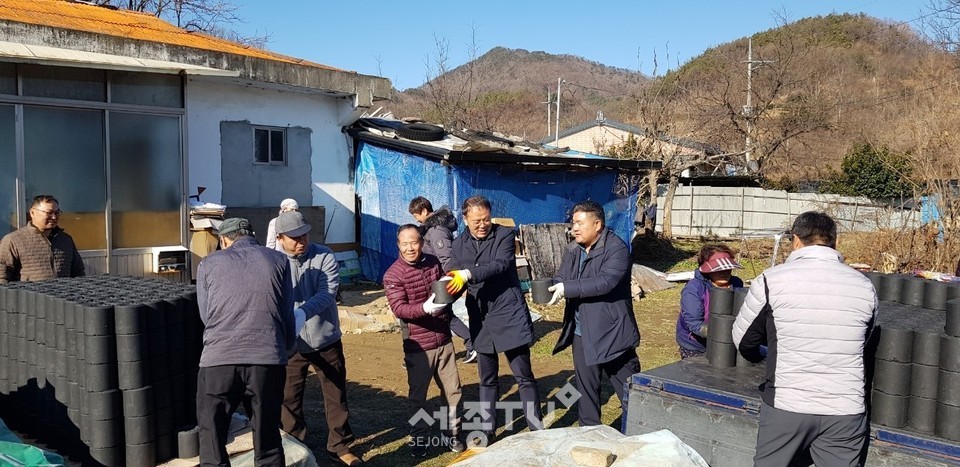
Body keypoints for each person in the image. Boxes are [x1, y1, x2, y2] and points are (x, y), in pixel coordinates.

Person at [732, 211, 877, 467]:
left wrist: (762, 356)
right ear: (835, 242)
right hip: (845, 409)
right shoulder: (864, 285)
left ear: (795, 241)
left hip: (787, 404)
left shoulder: (771, 280)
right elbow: (863, 341)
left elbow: (744, 341)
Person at [195, 217, 297, 467]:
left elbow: (206, 314)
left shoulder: (208, 263)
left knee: (212, 435)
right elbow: (286, 313)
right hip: (266, 359)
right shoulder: (279, 260)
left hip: (219, 360)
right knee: (267, 434)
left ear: (224, 240)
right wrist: (286, 348)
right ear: (253, 236)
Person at [446, 195, 542, 446]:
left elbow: (500, 265)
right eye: (477, 220)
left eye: (486, 219)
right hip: (480, 315)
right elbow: (454, 277)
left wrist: (469, 274)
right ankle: (488, 429)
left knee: (523, 374)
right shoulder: (458, 245)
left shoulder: (504, 235)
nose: (482, 224)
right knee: (487, 378)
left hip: (508, 311)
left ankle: (536, 425)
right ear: (465, 219)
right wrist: (441, 296)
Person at [274, 211, 362, 466]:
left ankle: (339, 445)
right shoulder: (275, 261)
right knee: (289, 396)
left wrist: (302, 312)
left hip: (326, 338)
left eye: (304, 234)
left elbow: (328, 292)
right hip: (291, 342)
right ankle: (295, 443)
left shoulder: (324, 254)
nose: (302, 240)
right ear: (280, 238)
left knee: (335, 393)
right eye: (294, 237)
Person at [548, 200, 641, 426]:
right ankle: (589, 432)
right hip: (582, 332)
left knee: (629, 389)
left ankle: (641, 431)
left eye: (580, 223)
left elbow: (605, 282)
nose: (574, 228)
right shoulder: (573, 249)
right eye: (573, 223)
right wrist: (553, 285)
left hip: (612, 331)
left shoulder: (616, 249)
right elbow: (563, 276)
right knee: (586, 388)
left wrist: (568, 288)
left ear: (597, 224)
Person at [382, 224, 465, 458]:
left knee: (453, 392)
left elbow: (444, 289)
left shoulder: (432, 262)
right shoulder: (393, 275)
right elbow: (400, 309)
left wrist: (456, 285)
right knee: (418, 396)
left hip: (444, 341)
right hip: (418, 345)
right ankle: (419, 437)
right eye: (405, 243)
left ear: (421, 242)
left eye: (414, 242)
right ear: (398, 245)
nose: (410, 248)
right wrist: (425, 308)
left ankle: (454, 435)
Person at [408, 196, 476, 364]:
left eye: (416, 215)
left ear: (424, 211)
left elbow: (446, 258)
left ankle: (471, 344)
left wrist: (451, 282)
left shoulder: (436, 230)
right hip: (434, 278)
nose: (416, 219)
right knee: (439, 315)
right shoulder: (431, 229)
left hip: (440, 280)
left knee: (443, 314)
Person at [676, 244, 744, 359]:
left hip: (730, 342)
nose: (725, 272)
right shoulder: (694, 289)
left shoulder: (737, 284)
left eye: (727, 268)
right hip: (696, 345)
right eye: (718, 269)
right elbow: (694, 323)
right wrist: (722, 334)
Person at [0, 195, 84, 283]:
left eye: (57, 213)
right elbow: (2, 276)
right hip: (30, 296)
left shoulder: (66, 240)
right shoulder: (13, 240)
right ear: (32, 213)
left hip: (62, 295)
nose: (54, 217)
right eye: (49, 213)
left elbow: (78, 272)